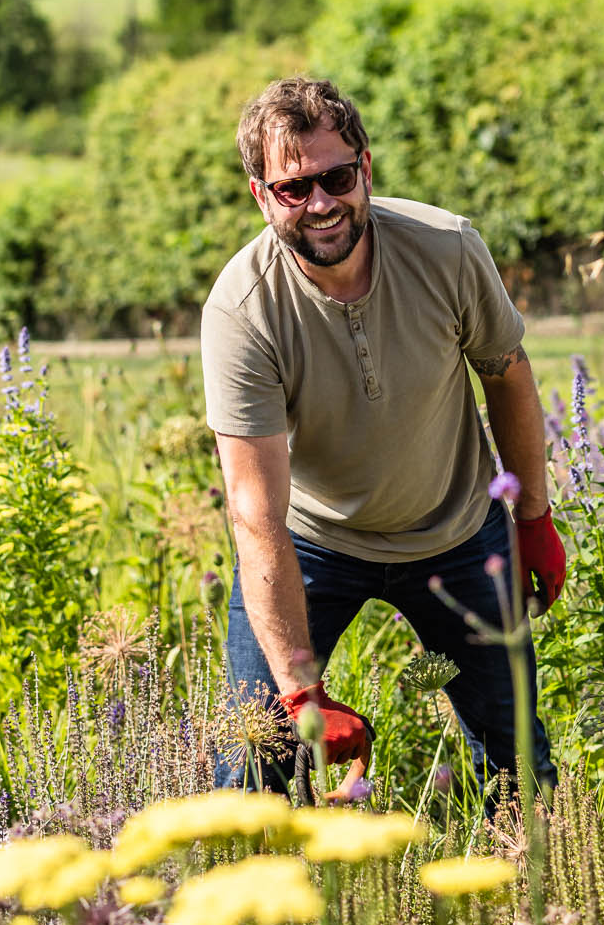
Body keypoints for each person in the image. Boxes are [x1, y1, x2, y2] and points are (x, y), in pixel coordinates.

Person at [201, 75, 563, 795]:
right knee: (250, 766)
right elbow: (254, 513)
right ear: (260, 196)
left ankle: (525, 894)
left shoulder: (446, 248)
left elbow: (506, 372)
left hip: (456, 530)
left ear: (365, 167)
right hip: (311, 543)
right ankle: (277, 903)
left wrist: (534, 518)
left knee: (519, 774)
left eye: (335, 177)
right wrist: (300, 693)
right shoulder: (242, 309)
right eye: (292, 188)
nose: (320, 203)